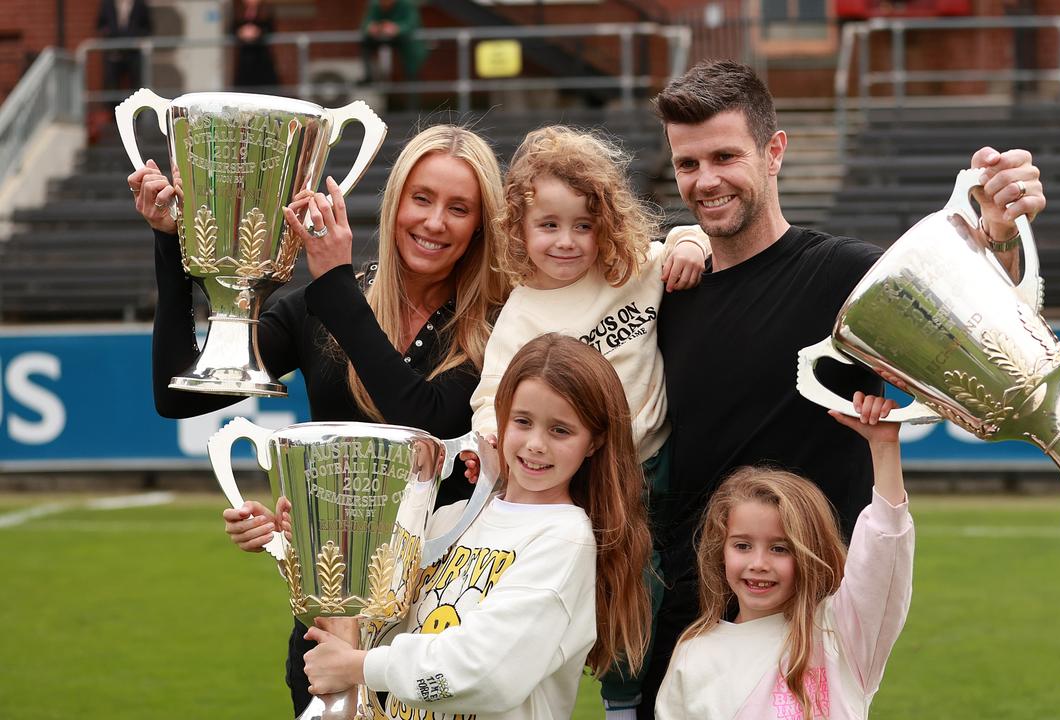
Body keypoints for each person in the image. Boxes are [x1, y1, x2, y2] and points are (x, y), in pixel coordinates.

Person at [641, 59, 1046, 717]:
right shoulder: (665, 294)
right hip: (684, 632)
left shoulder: (852, 281)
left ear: (775, 152)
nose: (705, 180)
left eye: (724, 156)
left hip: (812, 642)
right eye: (687, 165)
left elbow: (992, 352)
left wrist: (998, 241)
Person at [126, 124, 508, 717]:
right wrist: (170, 248)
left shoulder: (498, 326)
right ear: (395, 203)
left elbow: (423, 422)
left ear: (481, 225)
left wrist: (334, 284)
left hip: (444, 621)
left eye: (459, 208)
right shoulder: (319, 306)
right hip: (327, 627)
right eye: (422, 198)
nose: (435, 222)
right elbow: (178, 395)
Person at [467, 124, 707, 718]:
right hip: (589, 482)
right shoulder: (524, 312)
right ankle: (598, 697)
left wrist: (690, 245)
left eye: (584, 225)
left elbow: (693, 237)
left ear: (607, 224)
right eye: (549, 225)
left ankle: (636, 701)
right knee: (602, 598)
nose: (567, 242)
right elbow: (491, 393)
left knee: (660, 594)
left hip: (657, 460)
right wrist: (488, 433)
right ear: (520, 230)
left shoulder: (633, 270)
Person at [301, 333, 654, 720]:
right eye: (522, 421)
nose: (536, 444)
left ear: (593, 442)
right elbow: (373, 613)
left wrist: (359, 666)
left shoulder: (564, 539)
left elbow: (486, 673)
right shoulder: (451, 518)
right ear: (500, 417)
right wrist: (301, 537)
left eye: (560, 430)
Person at [655, 391, 913, 719]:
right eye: (742, 545)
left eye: (779, 548)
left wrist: (884, 447)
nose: (758, 564)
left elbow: (884, 553)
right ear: (720, 551)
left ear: (809, 553)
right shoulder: (694, 654)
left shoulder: (839, 633)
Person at [360, 0, 428, 84]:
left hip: (405, 41)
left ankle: (411, 80)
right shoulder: (375, 4)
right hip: (380, 38)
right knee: (366, 44)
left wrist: (397, 29)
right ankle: (369, 77)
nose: (385, 3)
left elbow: (412, 24)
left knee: (412, 69)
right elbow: (366, 23)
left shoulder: (406, 4)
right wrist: (370, 28)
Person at [96, 0, 152, 93]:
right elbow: (100, 25)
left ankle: (137, 106)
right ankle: (113, 107)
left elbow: (148, 27)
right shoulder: (107, 3)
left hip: (134, 52)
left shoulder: (140, 4)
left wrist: (138, 37)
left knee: (137, 84)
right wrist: (108, 34)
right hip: (113, 51)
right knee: (111, 84)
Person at [231, 0, 279, 89]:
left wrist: (257, 32)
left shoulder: (266, 11)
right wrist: (241, 32)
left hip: (261, 55)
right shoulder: (238, 11)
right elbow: (232, 29)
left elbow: (270, 28)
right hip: (245, 56)